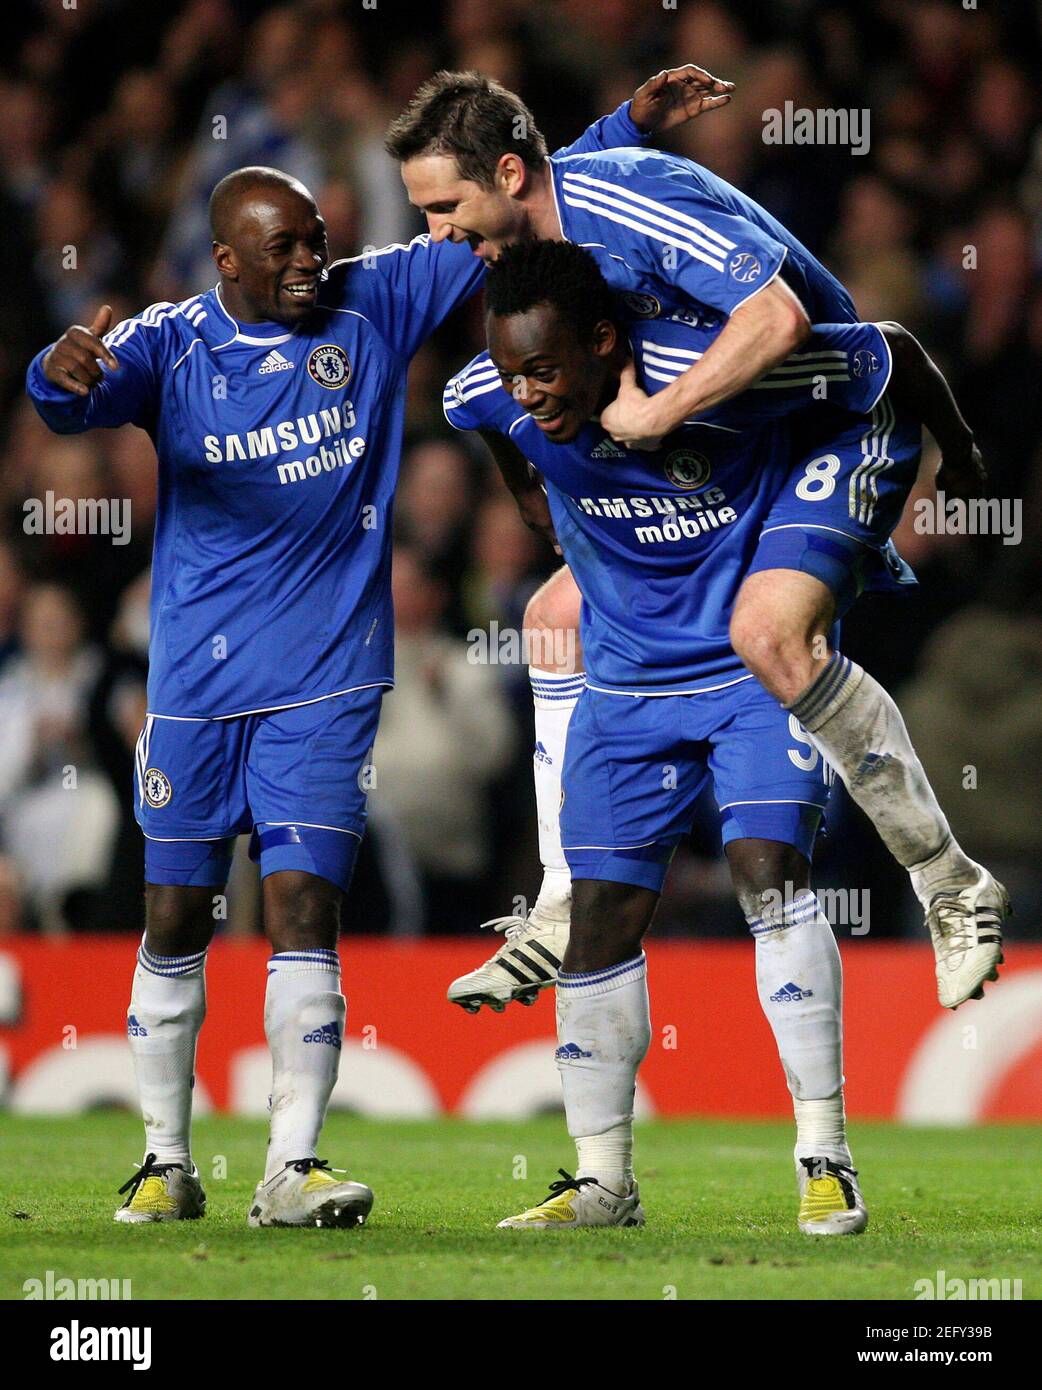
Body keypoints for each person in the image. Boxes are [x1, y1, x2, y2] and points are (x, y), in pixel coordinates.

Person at [24, 70, 712, 1229]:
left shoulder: (374, 302)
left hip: (326, 683)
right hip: (193, 686)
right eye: (286, 249)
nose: (312, 262)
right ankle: (161, 1157)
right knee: (175, 916)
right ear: (227, 262)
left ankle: (292, 1166)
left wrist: (627, 125)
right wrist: (57, 373)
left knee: (301, 906)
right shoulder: (168, 344)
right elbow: (72, 400)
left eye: (319, 241)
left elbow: (515, 198)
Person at [387, 71, 1009, 1009]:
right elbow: (567, 159)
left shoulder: (633, 200)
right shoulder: (544, 221)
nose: (435, 231)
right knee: (556, 613)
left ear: (509, 174)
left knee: (767, 635)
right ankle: (560, 901)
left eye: (443, 206)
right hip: (735, 442)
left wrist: (656, 416)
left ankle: (949, 880)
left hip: (834, 414)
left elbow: (781, 321)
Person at [441, 239, 992, 1232]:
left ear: (607, 340)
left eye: (546, 369)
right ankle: (602, 1180)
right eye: (513, 371)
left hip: (745, 674)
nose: (526, 392)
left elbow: (892, 349)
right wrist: (578, 546)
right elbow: (518, 468)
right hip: (623, 686)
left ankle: (825, 1158)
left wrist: (961, 456)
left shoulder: (721, 368)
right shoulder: (483, 394)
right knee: (599, 922)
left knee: (767, 872)